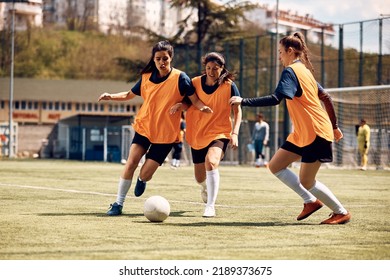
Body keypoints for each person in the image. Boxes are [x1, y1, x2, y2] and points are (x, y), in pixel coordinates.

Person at [230, 32, 351, 225]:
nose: (279, 57)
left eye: (280, 52)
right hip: (303, 133)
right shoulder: (305, 71)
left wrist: (243, 101)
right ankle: (310, 201)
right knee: (275, 166)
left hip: (315, 131)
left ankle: (340, 212)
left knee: (307, 181)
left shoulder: (291, 71)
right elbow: (325, 97)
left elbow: (276, 98)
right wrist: (334, 126)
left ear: (290, 51)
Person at [98, 40, 212, 216]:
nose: (161, 62)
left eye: (165, 58)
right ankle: (118, 203)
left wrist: (197, 107)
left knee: (145, 173)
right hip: (144, 127)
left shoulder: (181, 78)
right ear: (154, 59)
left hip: (166, 135)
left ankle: (142, 179)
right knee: (131, 162)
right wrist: (110, 96)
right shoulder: (146, 77)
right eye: (158, 58)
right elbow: (129, 95)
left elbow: (193, 100)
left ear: (170, 58)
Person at [171, 52, 242, 217]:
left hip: (220, 132)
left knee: (211, 162)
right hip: (197, 133)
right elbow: (188, 103)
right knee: (199, 177)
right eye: (208, 68)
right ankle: (205, 187)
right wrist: (179, 106)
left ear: (222, 68)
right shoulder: (195, 83)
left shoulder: (230, 86)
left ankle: (210, 206)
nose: (211, 72)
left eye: (215, 69)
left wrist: (235, 133)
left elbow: (237, 111)